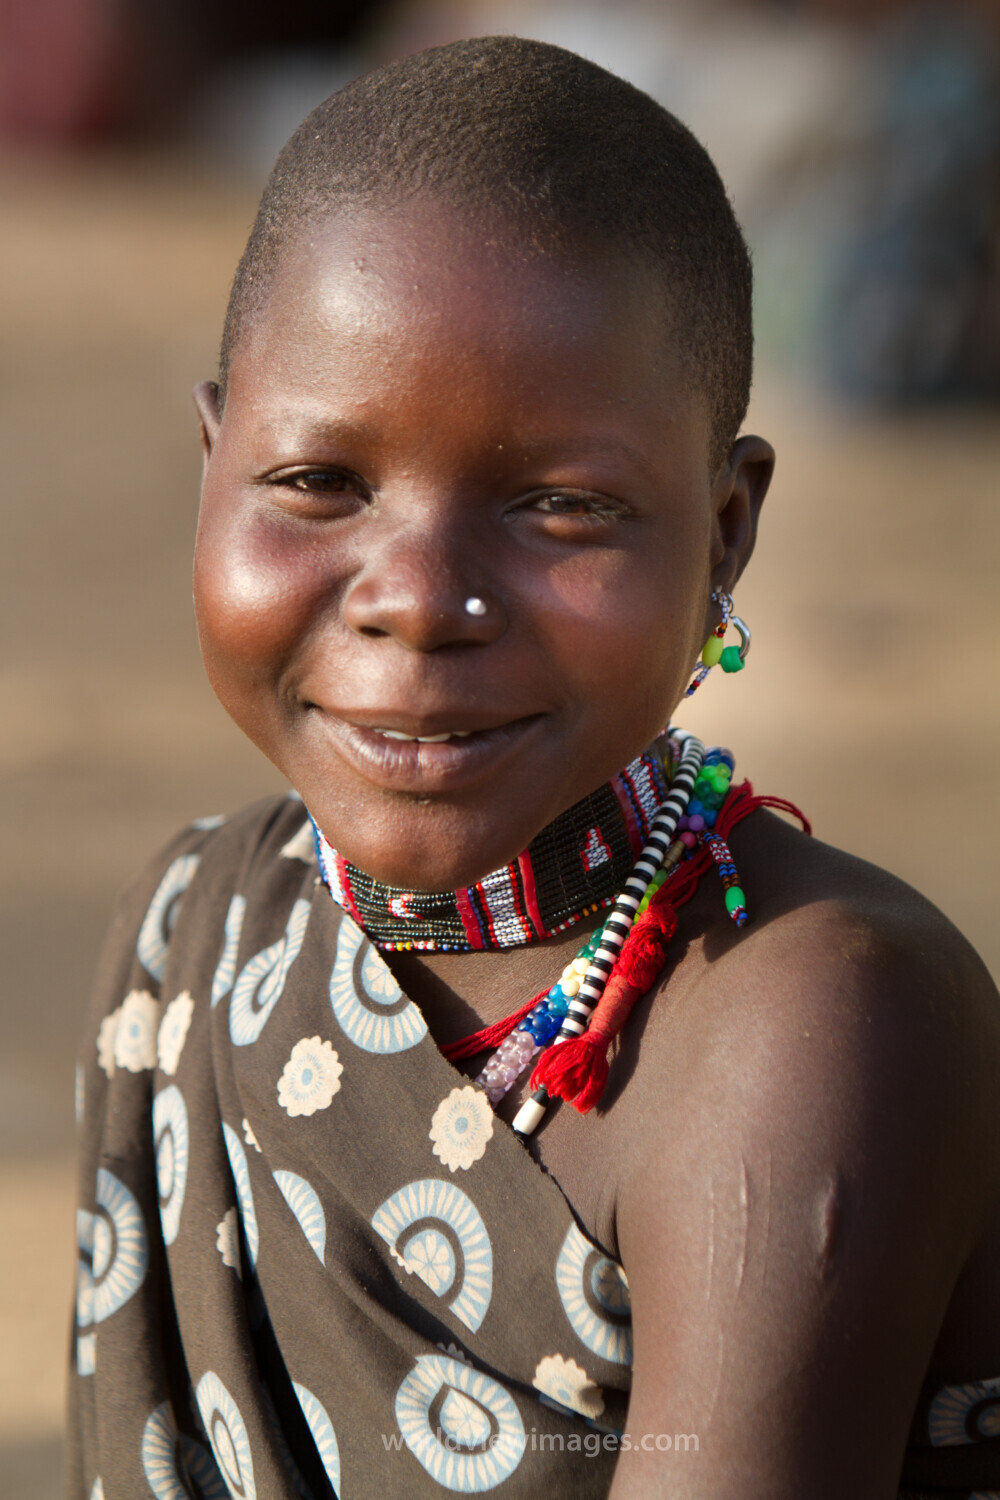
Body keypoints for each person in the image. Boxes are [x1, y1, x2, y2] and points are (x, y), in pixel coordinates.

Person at [68, 35, 1000, 1500]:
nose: (421, 597)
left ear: (726, 534)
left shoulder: (802, 1022)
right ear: (211, 462)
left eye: (561, 505)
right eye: (320, 482)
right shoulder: (194, 926)